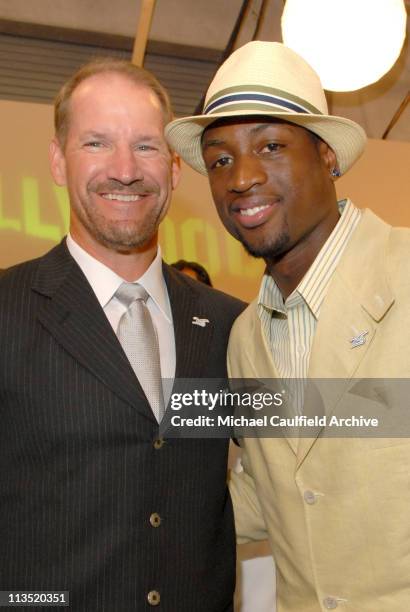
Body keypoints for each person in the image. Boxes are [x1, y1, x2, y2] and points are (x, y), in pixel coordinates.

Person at [166, 41, 410, 611]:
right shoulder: (246, 337)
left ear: (327, 154)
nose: (241, 178)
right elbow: (270, 485)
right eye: (220, 159)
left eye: (271, 145)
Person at [0, 58, 245, 612]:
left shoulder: (231, 325)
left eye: (146, 146)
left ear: (175, 169)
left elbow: (318, 453)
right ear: (59, 162)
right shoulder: (6, 310)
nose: (125, 169)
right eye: (96, 144)